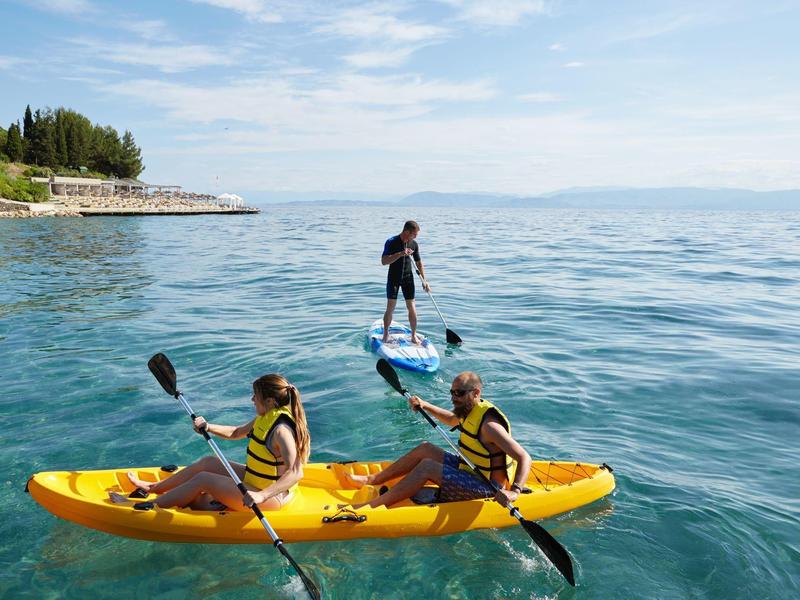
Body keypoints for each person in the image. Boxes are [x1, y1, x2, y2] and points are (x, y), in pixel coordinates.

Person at [110, 374, 310, 511]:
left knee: (204, 478)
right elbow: (236, 432)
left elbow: (296, 472)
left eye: (255, 397)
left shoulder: (281, 431)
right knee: (208, 462)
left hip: (272, 498)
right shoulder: (266, 417)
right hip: (256, 482)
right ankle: (153, 488)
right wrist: (208, 426)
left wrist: (261, 496)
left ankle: (146, 506)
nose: (251, 399)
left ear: (270, 402)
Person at [345, 371, 531, 509]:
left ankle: (373, 505)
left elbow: (524, 457)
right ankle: (371, 479)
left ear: (476, 393)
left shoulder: (489, 427)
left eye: (459, 393)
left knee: (427, 466)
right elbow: (451, 419)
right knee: (425, 448)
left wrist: (514, 491)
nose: (453, 397)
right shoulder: (469, 408)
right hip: (468, 468)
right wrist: (425, 405)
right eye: (452, 392)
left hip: (488, 487)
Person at [381, 220, 430, 345]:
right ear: (407, 232)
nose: (415, 237)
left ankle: (413, 335)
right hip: (394, 278)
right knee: (390, 307)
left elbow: (419, 263)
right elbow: (384, 261)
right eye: (414, 234)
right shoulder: (391, 242)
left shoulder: (414, 244)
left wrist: (424, 281)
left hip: (408, 278)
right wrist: (401, 254)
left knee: (412, 306)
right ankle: (386, 333)